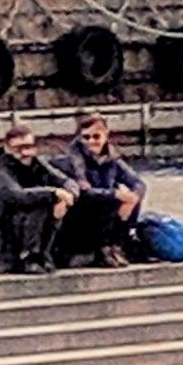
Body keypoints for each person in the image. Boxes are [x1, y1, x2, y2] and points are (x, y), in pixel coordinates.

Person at [0, 122, 77, 273]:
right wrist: (54, 193)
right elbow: (18, 195)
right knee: (40, 205)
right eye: (18, 148)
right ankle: (29, 257)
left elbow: (66, 181)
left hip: (27, 225)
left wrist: (66, 198)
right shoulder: (0, 171)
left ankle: (43, 255)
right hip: (2, 232)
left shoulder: (37, 163)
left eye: (28, 146)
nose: (25, 152)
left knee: (56, 205)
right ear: (8, 149)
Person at [57, 113, 147, 266]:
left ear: (106, 135)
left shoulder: (112, 158)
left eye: (96, 136)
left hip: (104, 208)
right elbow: (84, 192)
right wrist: (115, 194)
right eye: (86, 137)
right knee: (109, 200)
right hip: (80, 214)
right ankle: (104, 249)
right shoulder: (73, 160)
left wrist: (134, 197)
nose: (91, 141)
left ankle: (117, 245)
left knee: (129, 197)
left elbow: (137, 182)